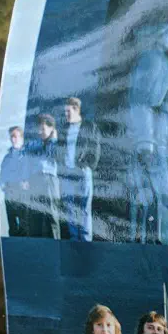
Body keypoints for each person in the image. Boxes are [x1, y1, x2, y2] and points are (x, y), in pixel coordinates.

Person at [58, 96, 101, 243]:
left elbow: (96, 149)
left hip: (82, 173)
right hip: (67, 174)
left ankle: (86, 241)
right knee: (70, 209)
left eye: (68, 111)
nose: (66, 115)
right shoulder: (64, 128)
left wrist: (87, 165)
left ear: (76, 110)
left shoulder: (89, 127)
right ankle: (74, 240)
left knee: (84, 209)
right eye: (65, 112)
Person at [27, 113, 60, 239]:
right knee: (37, 216)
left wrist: (52, 139)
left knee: (52, 216)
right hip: (37, 180)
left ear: (52, 128)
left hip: (49, 180)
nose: (40, 132)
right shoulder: (37, 144)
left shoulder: (55, 143)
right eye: (39, 129)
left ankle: (56, 245)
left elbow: (51, 154)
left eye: (43, 129)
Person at [0, 125, 29, 237]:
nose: (13, 139)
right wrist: (3, 186)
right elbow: (2, 176)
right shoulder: (7, 158)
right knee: (12, 223)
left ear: (21, 138)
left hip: (23, 193)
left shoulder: (27, 154)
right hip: (10, 192)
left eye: (15, 136)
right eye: (11, 136)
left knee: (24, 223)